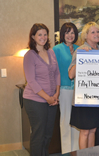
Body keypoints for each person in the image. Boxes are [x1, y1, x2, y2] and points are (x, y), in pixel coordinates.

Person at [23, 23, 60, 156]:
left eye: (45, 34)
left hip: (52, 100)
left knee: (48, 135)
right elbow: (31, 81)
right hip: (35, 101)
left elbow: (57, 73)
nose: (43, 37)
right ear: (33, 37)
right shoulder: (29, 55)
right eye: (40, 34)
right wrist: (48, 98)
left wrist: (56, 94)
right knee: (38, 135)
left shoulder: (51, 52)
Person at [68, 22, 99, 149]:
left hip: (97, 98)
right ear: (86, 35)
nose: (96, 34)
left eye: (98, 32)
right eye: (93, 32)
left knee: (93, 130)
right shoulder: (80, 50)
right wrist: (83, 57)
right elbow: (71, 74)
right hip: (84, 98)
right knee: (84, 131)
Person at [53, 22, 79, 153]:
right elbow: (54, 72)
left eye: (73, 32)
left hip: (78, 91)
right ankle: (66, 151)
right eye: (67, 32)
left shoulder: (79, 48)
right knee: (65, 120)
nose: (70, 35)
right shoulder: (56, 49)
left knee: (77, 121)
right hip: (64, 90)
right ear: (63, 34)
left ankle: (76, 150)